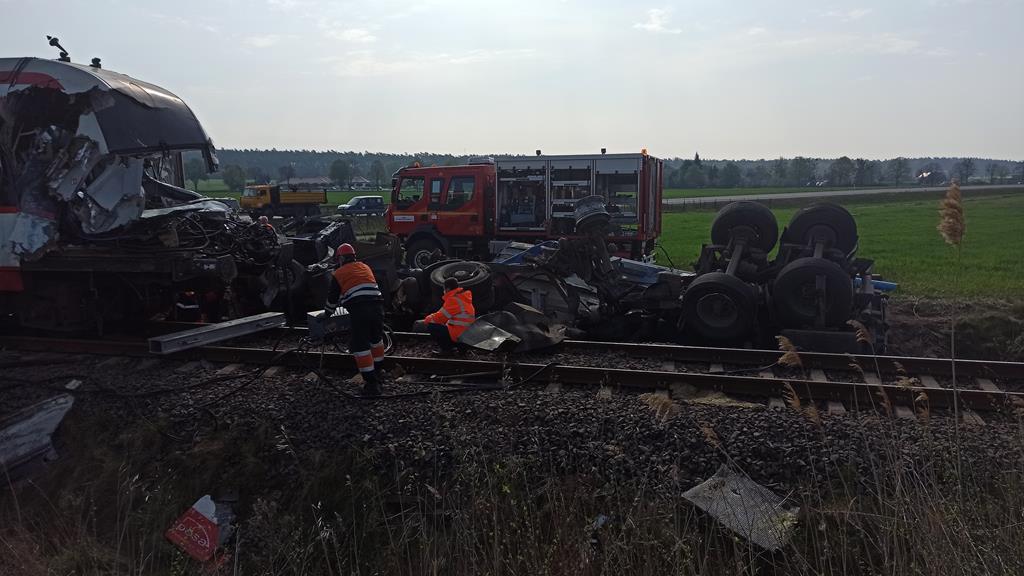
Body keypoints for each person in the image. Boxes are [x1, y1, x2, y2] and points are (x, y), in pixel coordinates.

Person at [325, 243, 386, 396]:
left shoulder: (339, 273)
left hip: (360, 310)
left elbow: (332, 299)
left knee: (360, 346)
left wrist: (326, 314)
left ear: (341, 258)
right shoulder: (365, 267)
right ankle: (379, 373)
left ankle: (372, 385)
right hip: (378, 307)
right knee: (376, 339)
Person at [423, 277, 475, 356]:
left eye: (443, 289)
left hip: (459, 336)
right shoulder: (463, 297)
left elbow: (439, 317)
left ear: (447, 289)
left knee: (432, 326)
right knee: (446, 325)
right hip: (467, 336)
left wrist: (427, 319)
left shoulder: (453, 300)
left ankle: (446, 350)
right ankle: (462, 349)